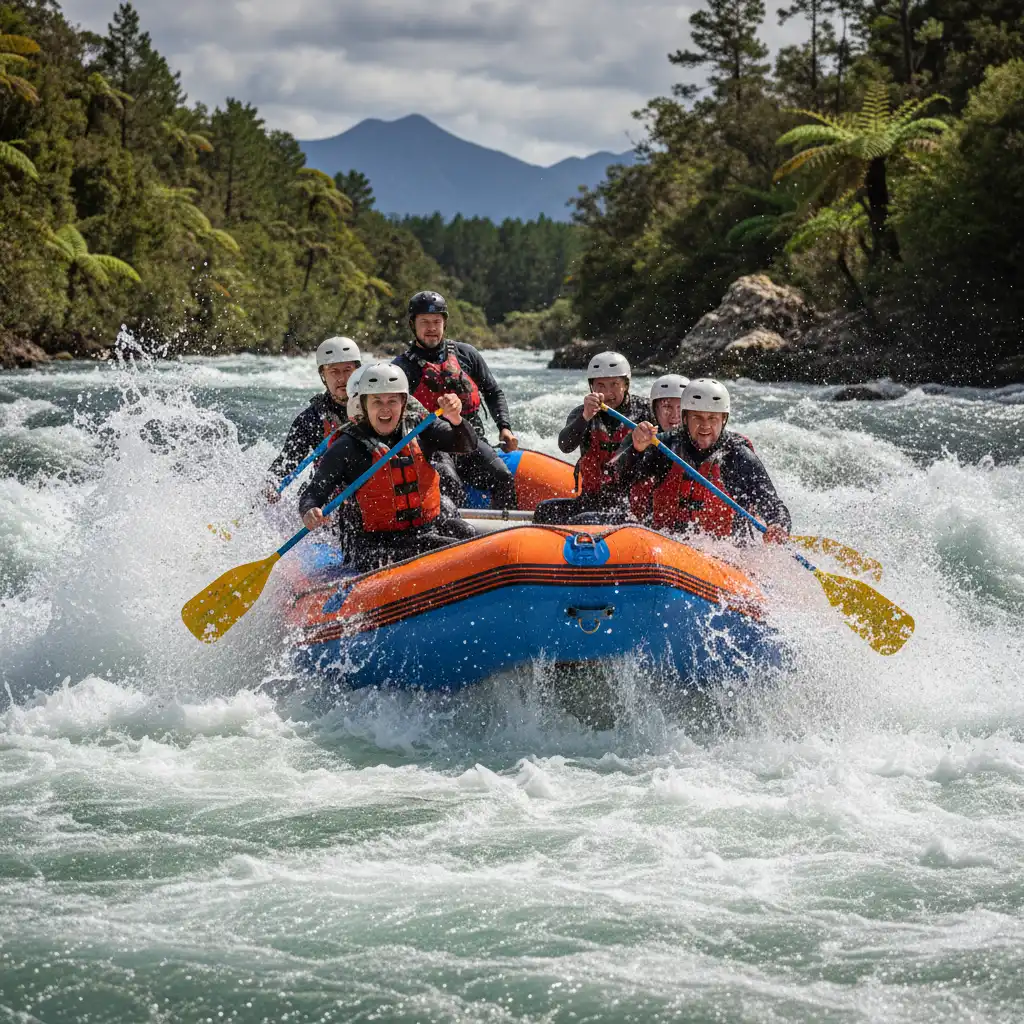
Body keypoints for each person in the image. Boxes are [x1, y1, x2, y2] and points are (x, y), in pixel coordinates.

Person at [299, 362, 479, 571]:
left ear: (403, 403)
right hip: (372, 546)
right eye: (377, 401)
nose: (385, 409)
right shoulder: (346, 447)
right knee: (454, 550)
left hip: (423, 530)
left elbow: (466, 444)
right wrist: (309, 510)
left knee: (467, 533)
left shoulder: (420, 429)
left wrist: (456, 419)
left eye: (392, 401)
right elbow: (314, 492)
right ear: (364, 405)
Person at [615, 378, 791, 543]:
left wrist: (778, 525)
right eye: (697, 417)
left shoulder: (738, 457)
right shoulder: (664, 446)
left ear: (723, 419)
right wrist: (636, 450)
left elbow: (772, 504)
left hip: (724, 552)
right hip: (666, 545)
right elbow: (623, 481)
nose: (705, 426)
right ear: (685, 419)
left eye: (712, 418)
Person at [392, 290, 517, 510]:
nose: (431, 328)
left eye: (436, 321)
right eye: (424, 322)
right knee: (450, 483)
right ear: (412, 325)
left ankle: (506, 527)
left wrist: (504, 427)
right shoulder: (401, 368)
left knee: (503, 477)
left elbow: (492, 391)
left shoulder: (466, 354)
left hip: (471, 440)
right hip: (432, 447)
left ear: (445, 323)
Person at [533, 351, 652, 524]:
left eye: (614, 384)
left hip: (632, 505)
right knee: (544, 510)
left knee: (585, 520)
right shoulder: (582, 413)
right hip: (592, 500)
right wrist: (585, 417)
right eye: (600, 385)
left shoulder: (646, 411)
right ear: (592, 387)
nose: (608, 392)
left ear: (626, 385)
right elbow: (565, 446)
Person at [266, 336, 361, 500]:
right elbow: (285, 464)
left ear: (357, 371)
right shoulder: (312, 419)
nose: (342, 379)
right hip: (329, 498)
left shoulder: (378, 406)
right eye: (334, 372)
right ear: (323, 375)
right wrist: (271, 485)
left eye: (347, 370)